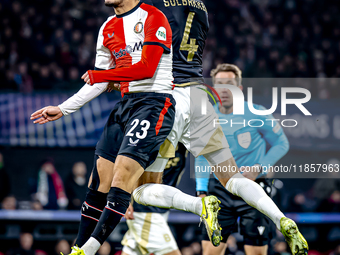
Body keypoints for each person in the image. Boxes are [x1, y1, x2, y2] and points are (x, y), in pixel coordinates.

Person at [77, 0, 308, 254]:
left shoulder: (153, 7)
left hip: (167, 97)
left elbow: (142, 53)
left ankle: (197, 206)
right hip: (198, 94)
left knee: (142, 187)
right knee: (232, 178)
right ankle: (280, 219)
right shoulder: (201, 8)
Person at [30, 0, 220, 254]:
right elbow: (96, 81)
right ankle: (79, 246)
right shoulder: (108, 27)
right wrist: (64, 108)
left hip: (154, 103)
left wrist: (102, 76)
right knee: (100, 181)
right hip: (125, 104)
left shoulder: (155, 17)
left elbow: (147, 68)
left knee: (122, 177)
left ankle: (85, 251)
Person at [195, 63, 289, 255]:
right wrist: (201, 190)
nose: (224, 89)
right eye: (219, 84)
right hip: (219, 189)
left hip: (253, 188)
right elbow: (203, 156)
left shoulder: (256, 112)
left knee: (256, 252)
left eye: (229, 84)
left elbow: (281, 143)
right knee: (210, 251)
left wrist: (259, 168)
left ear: (239, 89)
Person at [121, 143, 187, 255]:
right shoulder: (152, 136)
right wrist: (123, 196)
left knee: (133, 250)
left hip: (161, 209)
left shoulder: (185, 140)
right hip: (145, 210)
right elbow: (125, 164)